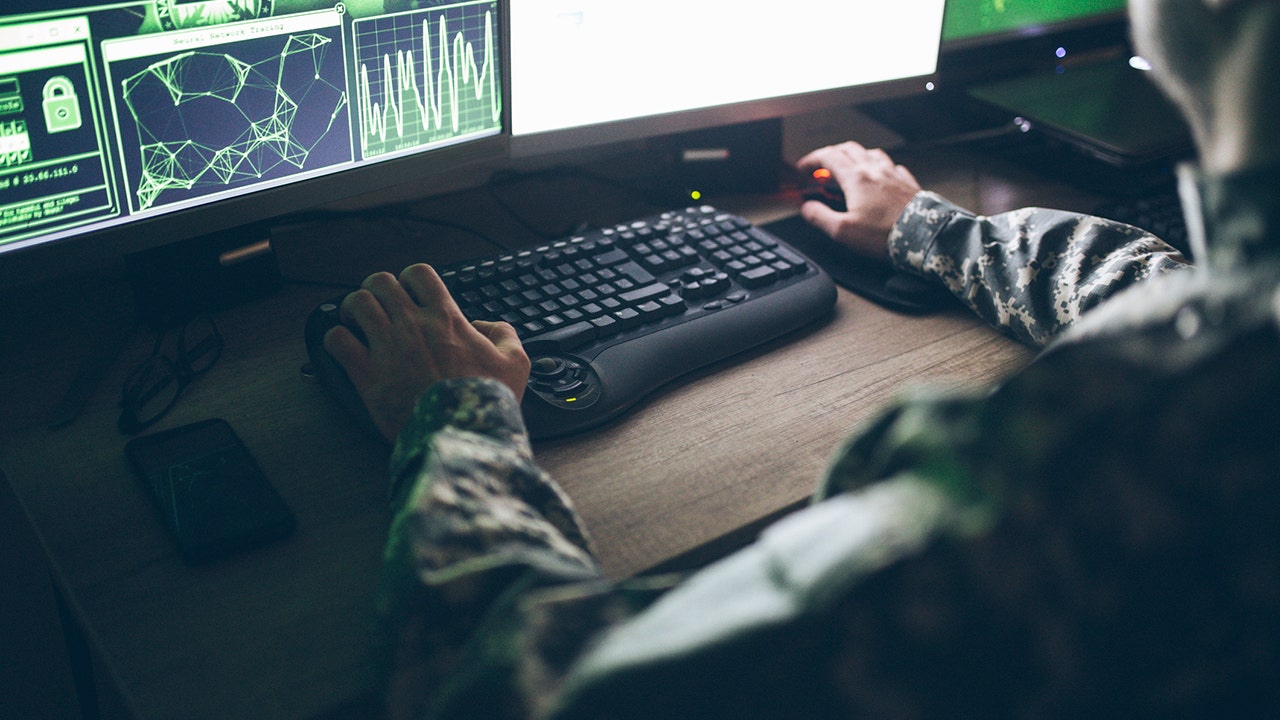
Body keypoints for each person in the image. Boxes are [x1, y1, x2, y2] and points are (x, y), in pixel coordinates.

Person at [323, 0, 1280, 715]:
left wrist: (454, 417)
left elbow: (513, 694)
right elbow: (1184, 294)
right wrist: (932, 230)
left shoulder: (1099, 474)